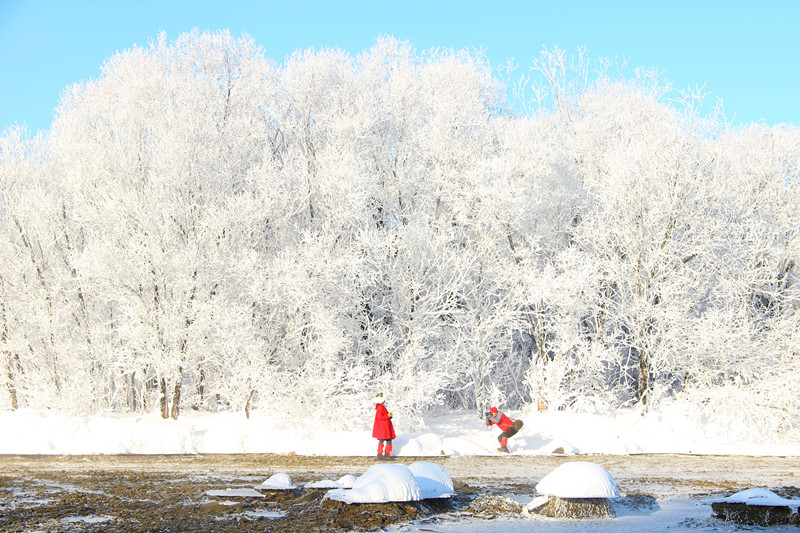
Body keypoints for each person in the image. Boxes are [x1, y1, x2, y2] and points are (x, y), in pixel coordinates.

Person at [372, 393, 396, 459]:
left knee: (383, 440)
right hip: (384, 427)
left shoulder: (380, 407)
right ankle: (385, 454)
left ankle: (381, 454)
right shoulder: (380, 407)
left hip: (384, 427)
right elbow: (380, 417)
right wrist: (387, 416)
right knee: (387, 440)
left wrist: (389, 416)